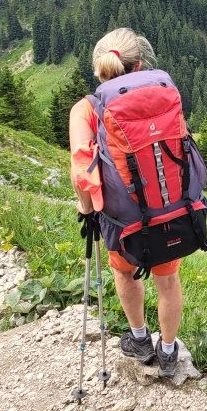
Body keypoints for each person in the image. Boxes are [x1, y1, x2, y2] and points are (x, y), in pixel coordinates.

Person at [68, 28, 181, 376]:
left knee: (124, 272)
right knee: (168, 282)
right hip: (168, 208)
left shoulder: (86, 109)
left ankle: (140, 339)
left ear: (99, 68)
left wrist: (87, 209)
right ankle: (168, 352)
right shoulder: (162, 92)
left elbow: (81, 170)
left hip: (121, 217)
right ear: (139, 64)